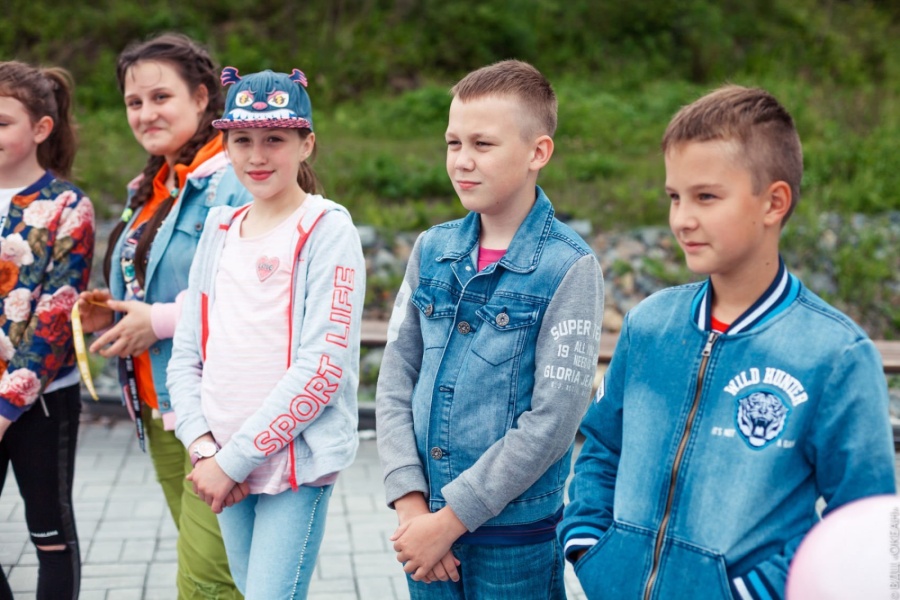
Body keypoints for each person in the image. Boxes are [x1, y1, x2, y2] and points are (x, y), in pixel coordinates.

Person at [559, 84, 897, 600]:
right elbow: (603, 447)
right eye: (674, 197)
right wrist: (588, 546)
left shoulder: (835, 356)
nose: (681, 219)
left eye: (706, 197)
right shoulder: (650, 325)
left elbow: (862, 523)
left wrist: (750, 592)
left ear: (774, 202)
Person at [376, 59, 604, 599]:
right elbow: (396, 377)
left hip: (513, 544)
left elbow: (554, 422)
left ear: (537, 152)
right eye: (453, 143)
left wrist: (450, 520)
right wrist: (410, 503)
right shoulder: (432, 250)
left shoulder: (569, 267)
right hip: (423, 533)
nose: (462, 160)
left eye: (483, 144)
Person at [166, 66, 365, 599]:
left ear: (306, 144)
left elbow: (323, 370)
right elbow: (187, 355)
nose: (257, 155)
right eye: (242, 140)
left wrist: (232, 461)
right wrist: (204, 450)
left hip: (293, 467)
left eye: (275, 139)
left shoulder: (326, 229)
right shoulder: (219, 229)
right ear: (225, 146)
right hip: (219, 460)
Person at [75, 33, 251, 599]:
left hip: (217, 413)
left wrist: (157, 320)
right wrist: (115, 316)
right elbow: (159, 286)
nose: (145, 113)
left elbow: (254, 291)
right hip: (159, 407)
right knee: (229, 575)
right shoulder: (153, 185)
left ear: (201, 98)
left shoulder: (236, 175)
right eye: (134, 102)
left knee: (205, 584)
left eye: (160, 97)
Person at [0, 60, 94, 600]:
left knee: (49, 535)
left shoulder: (67, 207)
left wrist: (6, 406)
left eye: (2, 122)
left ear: (40, 128)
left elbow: (55, 321)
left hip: (43, 402)